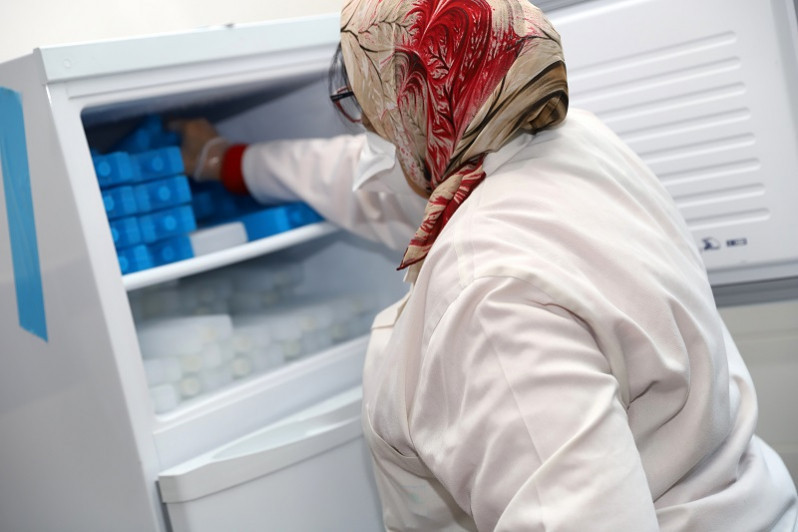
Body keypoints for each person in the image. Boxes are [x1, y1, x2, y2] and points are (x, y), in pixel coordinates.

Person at [173, 0, 798, 529]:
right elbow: (367, 180)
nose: (369, 129)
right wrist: (227, 160)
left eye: (367, 104)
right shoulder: (566, 138)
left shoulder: (489, 296)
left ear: (414, 106)